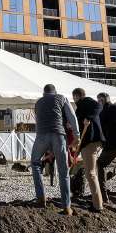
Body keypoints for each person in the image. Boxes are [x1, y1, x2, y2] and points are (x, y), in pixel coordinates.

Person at [30, 84, 75, 215]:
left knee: (35, 163)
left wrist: (48, 148)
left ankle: (41, 198)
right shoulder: (61, 98)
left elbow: (39, 120)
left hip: (41, 136)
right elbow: (72, 117)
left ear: (44, 94)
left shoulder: (38, 103)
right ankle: (67, 206)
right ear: (55, 92)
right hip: (58, 135)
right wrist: (77, 135)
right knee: (63, 170)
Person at [70, 88, 105, 213]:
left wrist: (88, 118)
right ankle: (99, 201)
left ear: (77, 96)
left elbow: (99, 106)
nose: (73, 99)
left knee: (90, 174)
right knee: (91, 173)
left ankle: (98, 205)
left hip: (92, 141)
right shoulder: (80, 107)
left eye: (74, 97)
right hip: (88, 143)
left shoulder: (87, 101)